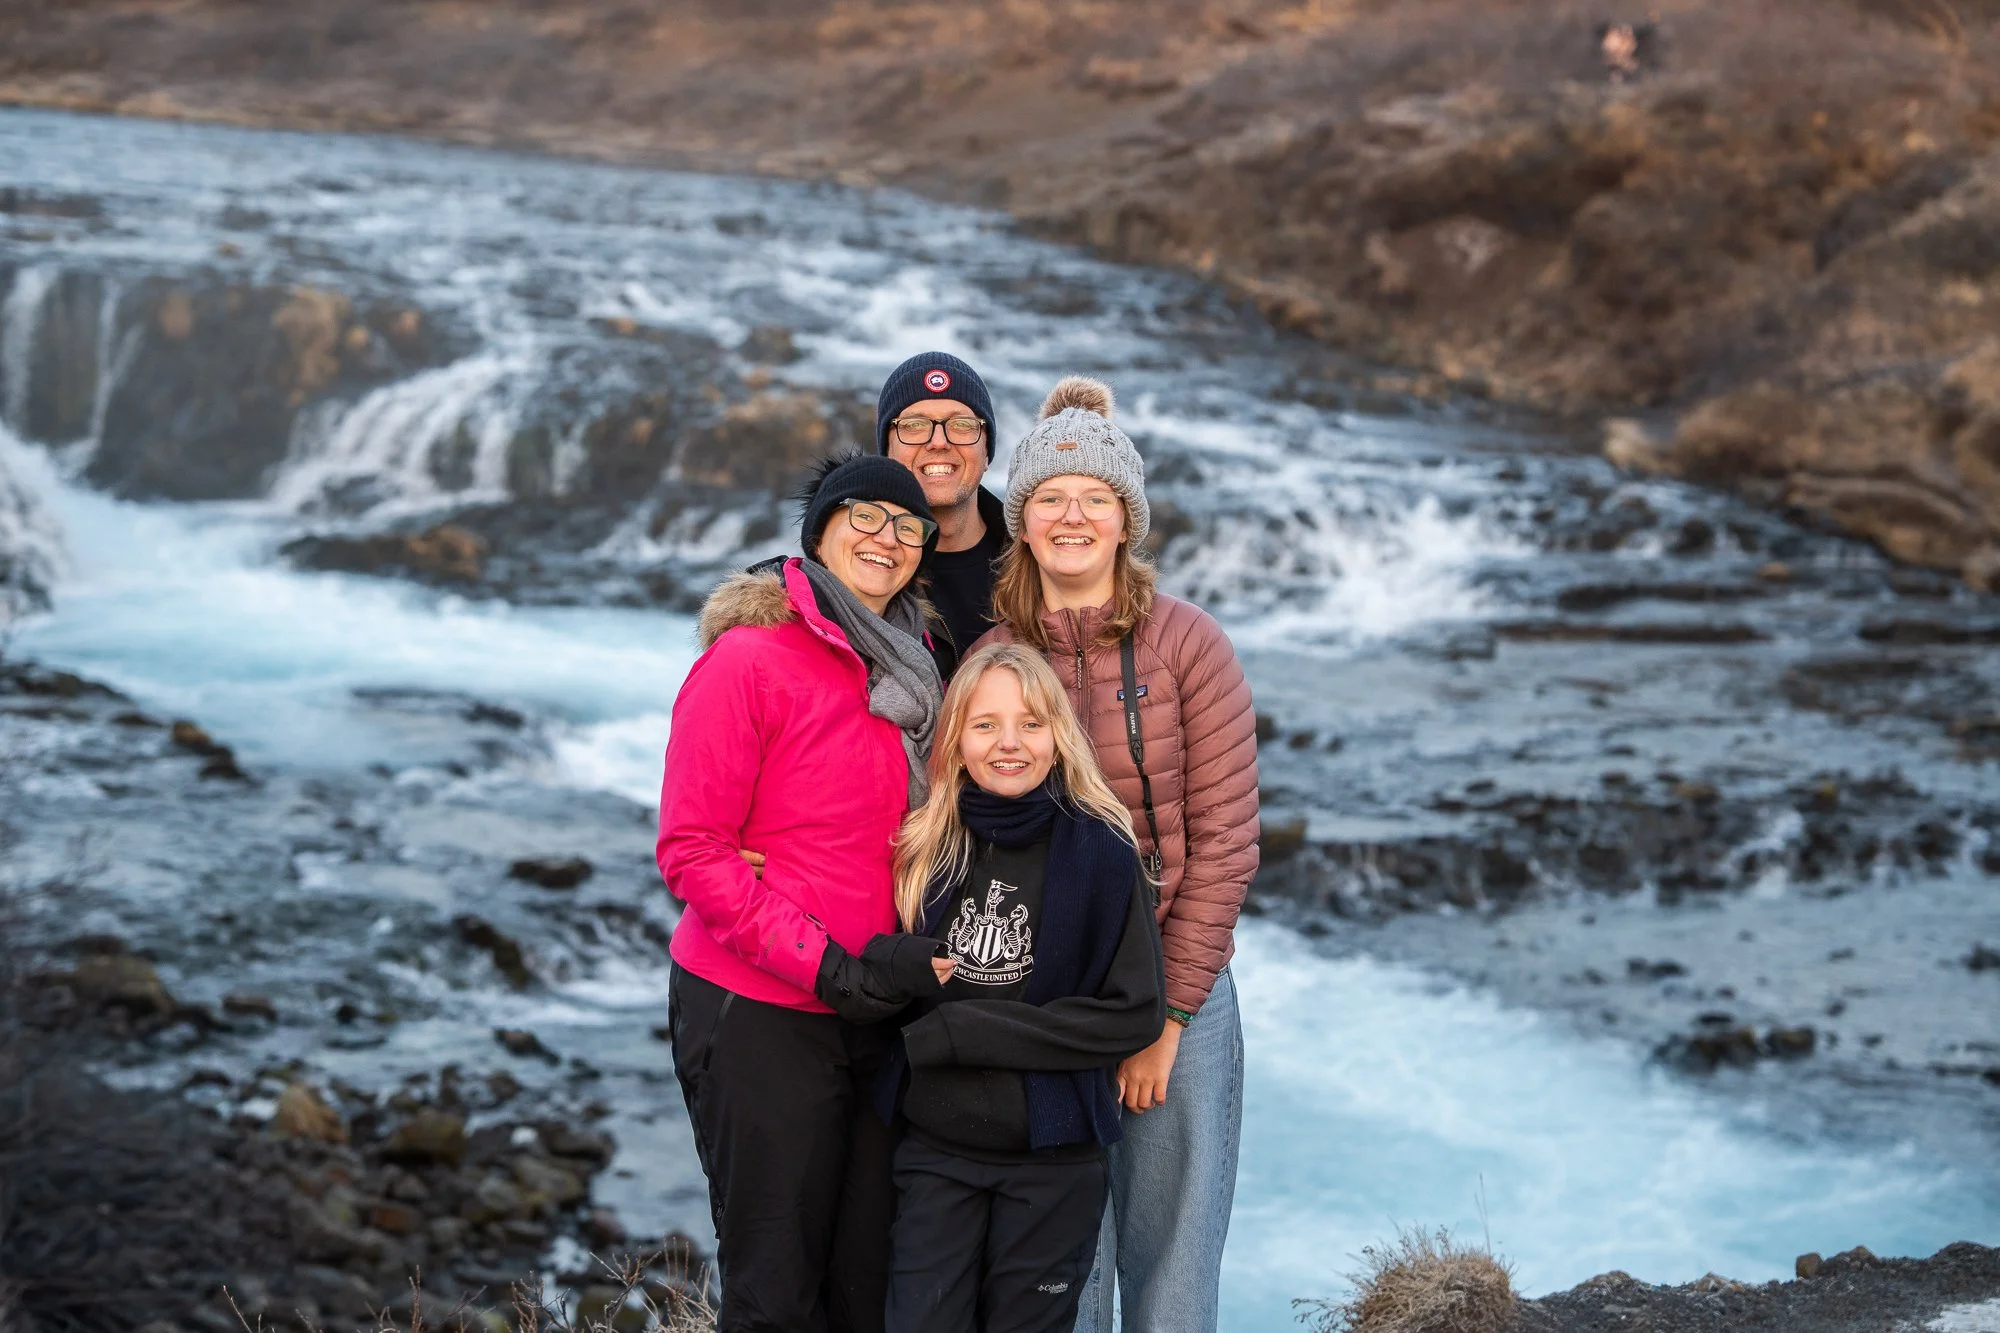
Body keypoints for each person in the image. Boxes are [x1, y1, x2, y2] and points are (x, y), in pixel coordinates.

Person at [974, 378, 1260, 1333]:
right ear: (1021, 520)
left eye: (1095, 497)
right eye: (1050, 497)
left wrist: (1169, 1015)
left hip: (1181, 994)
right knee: (1064, 1275)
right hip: (1045, 1002)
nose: (1072, 515)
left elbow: (1224, 844)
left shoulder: (1191, 646)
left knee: (1172, 1273)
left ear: (1125, 518)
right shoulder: (997, 656)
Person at [658, 453, 958, 1333]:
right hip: (759, 1010)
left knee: (866, 1284)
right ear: (819, 532)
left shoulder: (917, 673)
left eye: (908, 527)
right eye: (863, 515)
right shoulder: (749, 661)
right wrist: (822, 965)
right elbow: (693, 849)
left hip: (880, 1008)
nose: (886, 537)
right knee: (776, 1292)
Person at [882, 642, 1164, 1333]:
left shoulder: (1100, 847)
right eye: (985, 724)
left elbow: (1132, 1014)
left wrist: (965, 1032)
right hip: (937, 1152)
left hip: (1052, 1161)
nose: (1009, 742)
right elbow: (884, 966)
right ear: (957, 738)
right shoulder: (928, 841)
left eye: (1030, 723)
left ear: (1058, 735)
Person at [875, 352, 1010, 676]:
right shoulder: (858, 569)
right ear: (887, 451)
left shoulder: (1040, 565)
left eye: (961, 425)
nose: (938, 442)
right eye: (914, 425)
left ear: (987, 451)